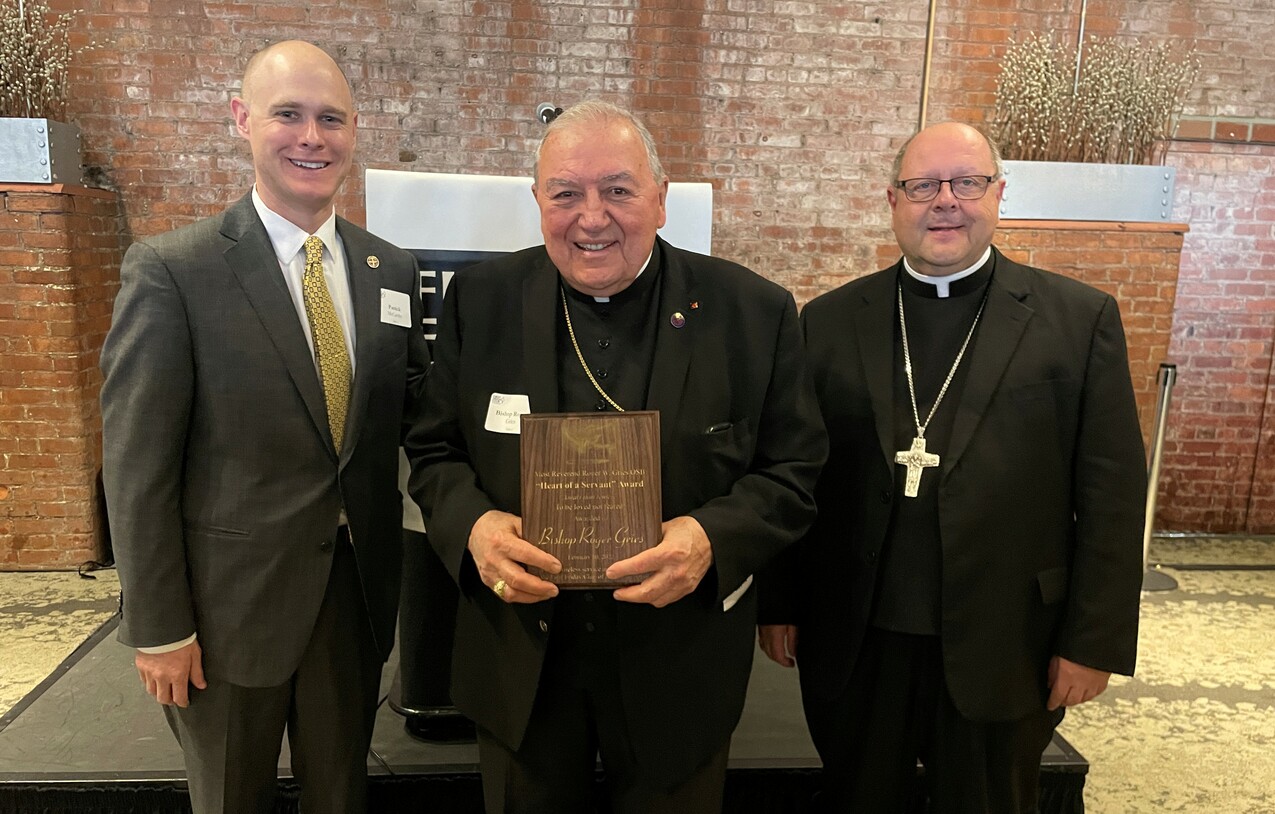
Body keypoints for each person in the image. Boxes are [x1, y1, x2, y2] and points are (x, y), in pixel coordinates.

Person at [405, 100, 827, 813]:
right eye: (565, 193)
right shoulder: (480, 301)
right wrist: (474, 528)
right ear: (537, 201)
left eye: (618, 190)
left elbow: (793, 473)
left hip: (678, 662)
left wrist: (708, 538)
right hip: (521, 663)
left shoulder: (751, 313)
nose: (591, 217)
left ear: (660, 201)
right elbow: (434, 451)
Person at [758, 122, 1146, 812]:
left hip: (1007, 639)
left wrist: (1094, 642)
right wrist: (779, 602)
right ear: (891, 199)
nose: (944, 201)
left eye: (965, 183)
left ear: (997, 194)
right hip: (858, 639)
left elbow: (1112, 494)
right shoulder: (827, 321)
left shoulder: (1076, 320)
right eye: (921, 186)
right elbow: (794, 471)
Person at [100, 40, 430, 814]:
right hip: (224, 618)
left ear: (354, 131)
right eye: (288, 114)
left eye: (331, 119)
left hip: (354, 598)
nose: (311, 137)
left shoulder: (392, 270)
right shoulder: (172, 272)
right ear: (242, 120)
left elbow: (417, 414)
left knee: (341, 795)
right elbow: (137, 464)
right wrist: (157, 625)